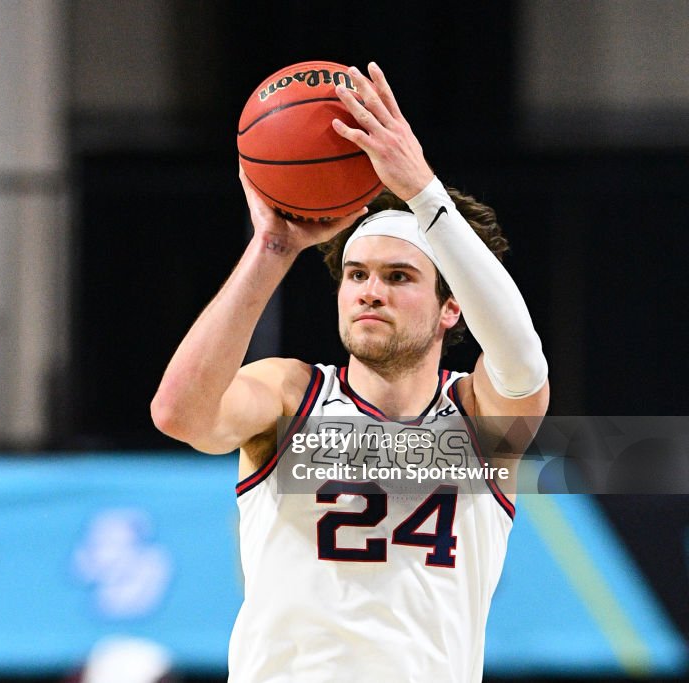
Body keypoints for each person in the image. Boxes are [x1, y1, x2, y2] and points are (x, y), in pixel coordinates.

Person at [150, 62, 549, 682]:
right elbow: (178, 415)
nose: (369, 291)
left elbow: (522, 361)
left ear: (452, 307)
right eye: (357, 274)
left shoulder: (480, 419)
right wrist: (272, 249)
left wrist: (423, 191)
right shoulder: (292, 395)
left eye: (398, 276)